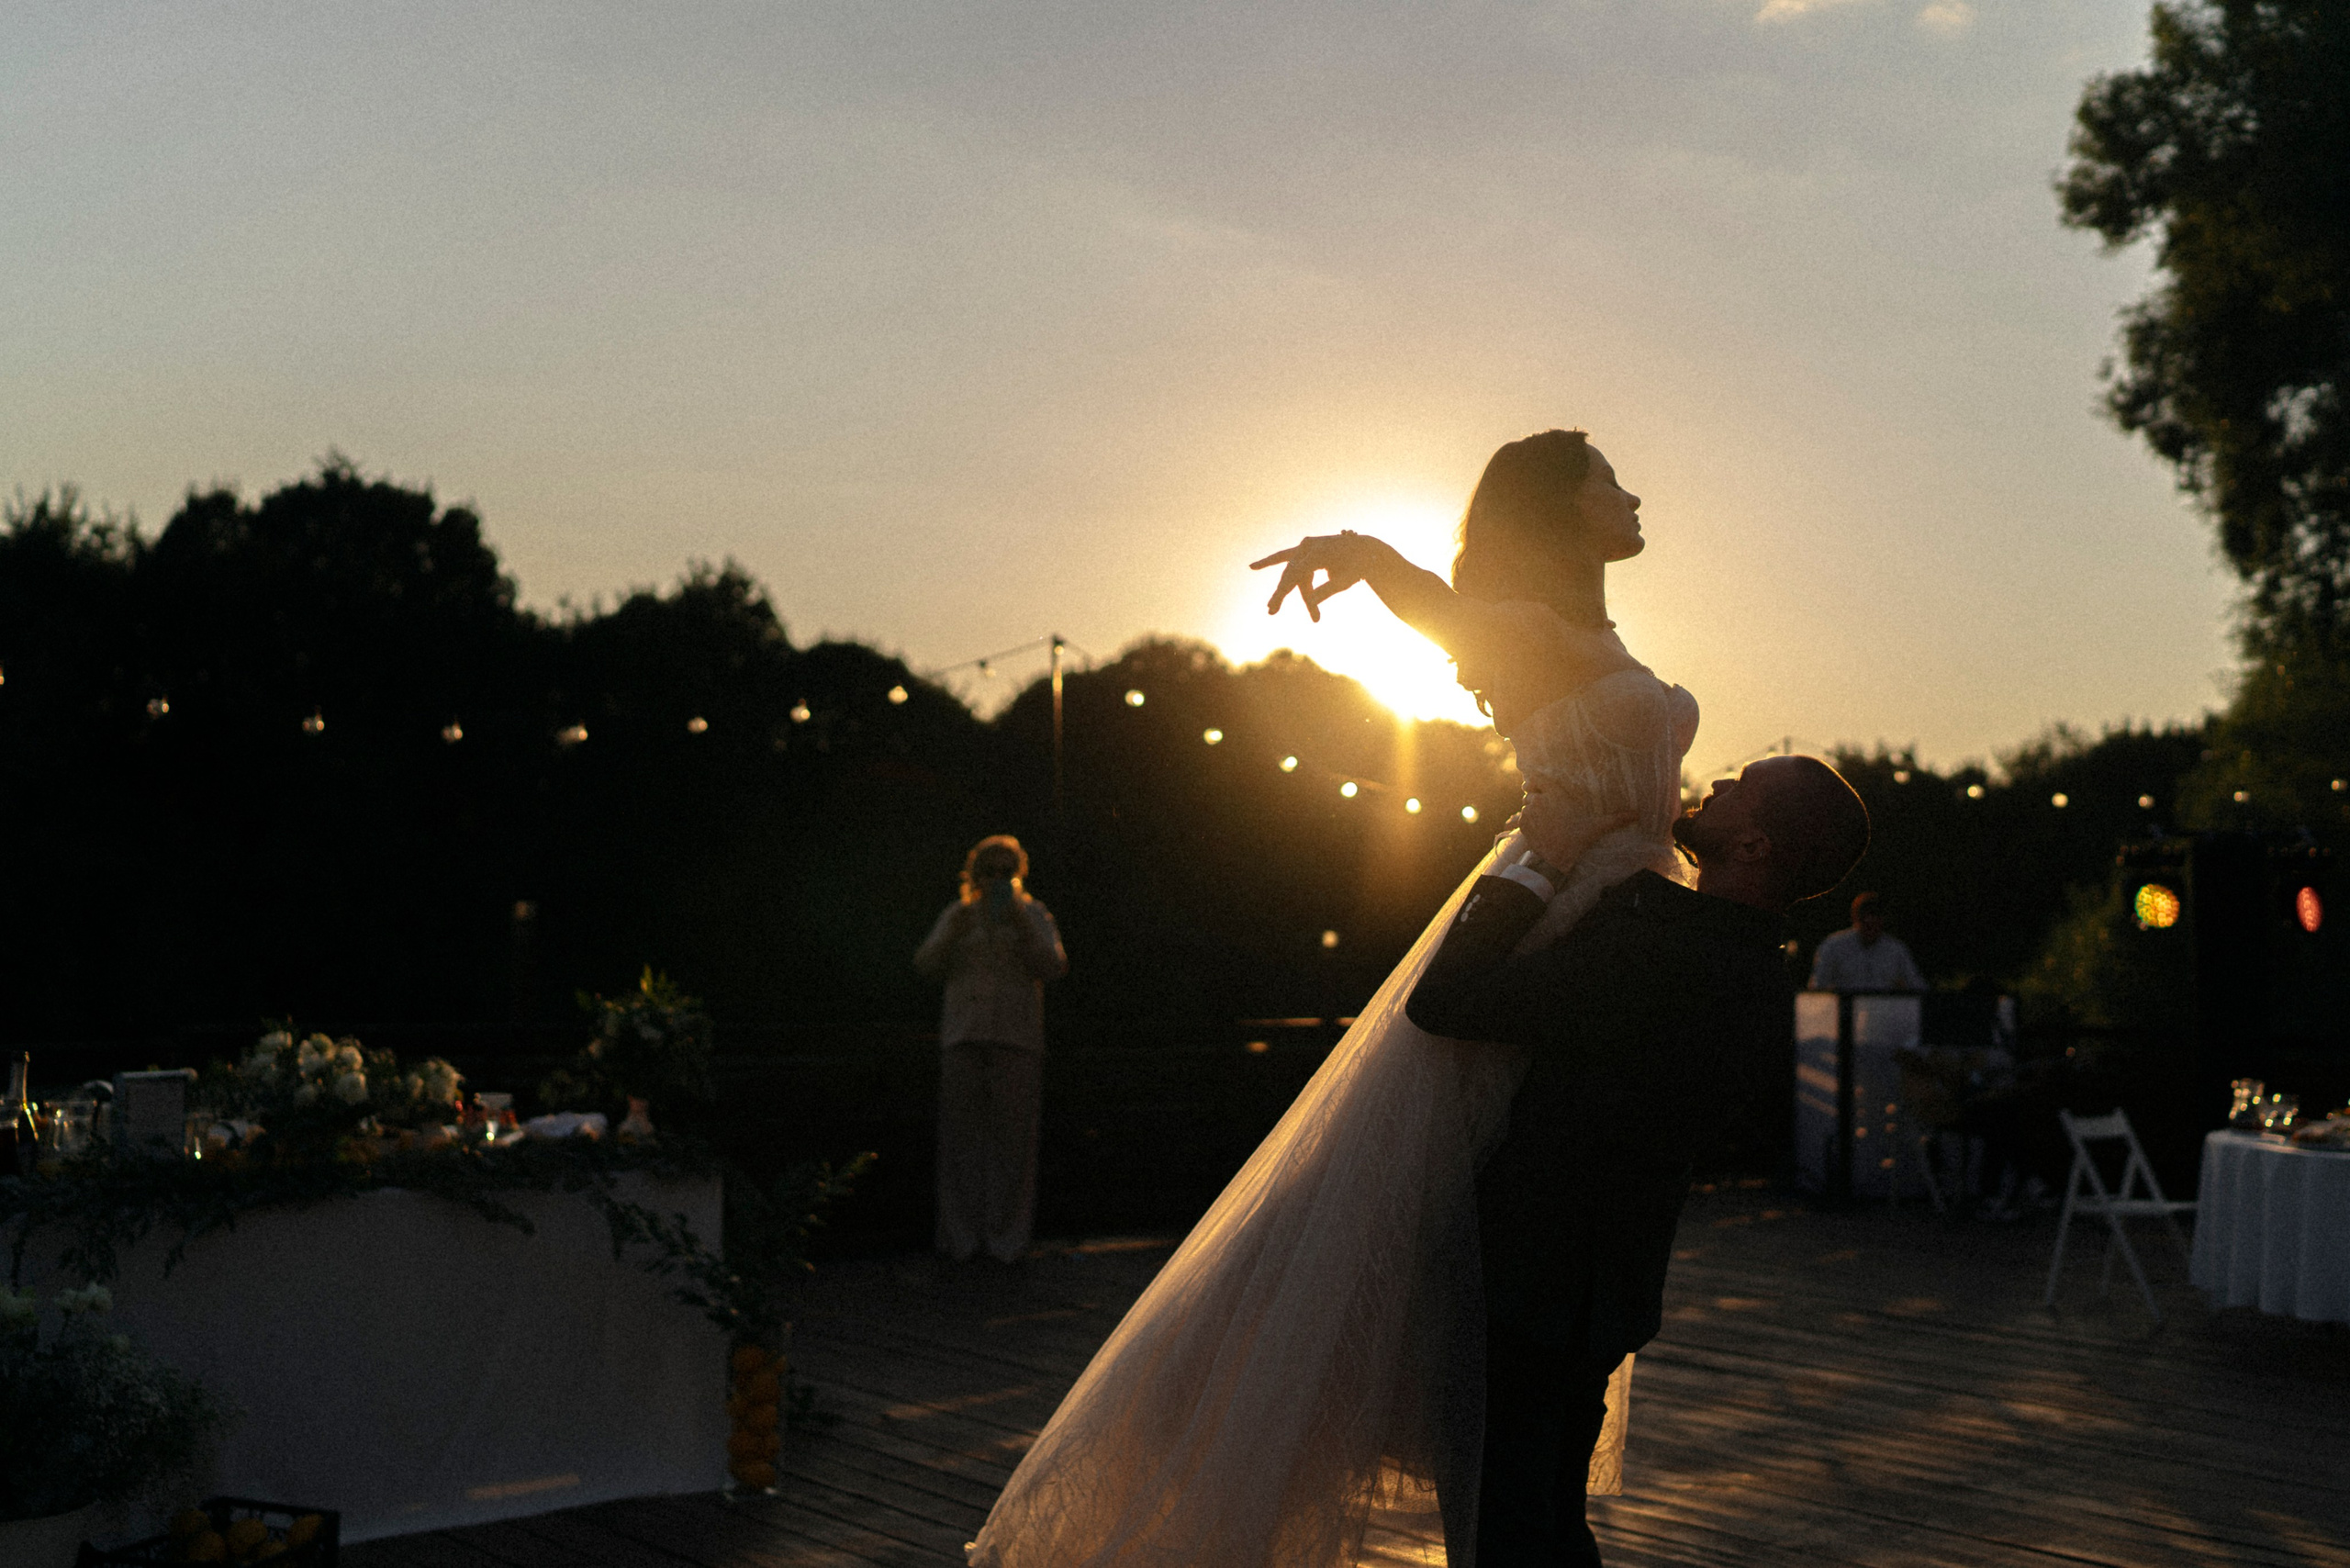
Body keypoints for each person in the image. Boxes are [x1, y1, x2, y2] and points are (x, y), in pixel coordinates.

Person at [967, 431, 1695, 1568]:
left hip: (1620, 942)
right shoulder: (1531, 631)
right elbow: (1443, 611)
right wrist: (1361, 554)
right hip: (1551, 926)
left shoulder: (1589, 639)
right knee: (1472, 1237)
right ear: (1559, 510)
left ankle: (1521, 1507)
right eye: (1610, 478)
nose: (1635, 492)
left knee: (1527, 1240)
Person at [1407, 755, 1870, 1565]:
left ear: (1755, 844)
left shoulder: (1660, 945)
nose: (1717, 785)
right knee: (1547, 1519)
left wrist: (1540, 862)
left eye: (1740, 786)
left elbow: (1444, 1001)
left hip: (1526, 1266)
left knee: (1501, 1522)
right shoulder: (1762, 974)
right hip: (1609, 1281)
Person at [914, 834, 1068, 1264]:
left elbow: (1054, 965)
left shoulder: (1033, 915)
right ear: (975, 874)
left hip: (1016, 1041)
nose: (999, 879)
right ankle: (960, 1238)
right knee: (960, 1144)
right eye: (991, 871)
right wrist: (956, 933)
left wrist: (1019, 923)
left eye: (1008, 871)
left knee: (1013, 1146)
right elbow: (925, 963)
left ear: (1019, 875)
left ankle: (1006, 1240)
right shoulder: (958, 915)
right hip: (964, 1038)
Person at [1807, 890, 1925, 991]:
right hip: (1846, 1013)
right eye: (1865, 920)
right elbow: (1817, 987)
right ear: (1855, 918)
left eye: (1875, 918)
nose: (1870, 923)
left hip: (1884, 1013)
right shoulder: (1833, 946)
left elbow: (1916, 985)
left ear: (1882, 920)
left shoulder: (1896, 950)